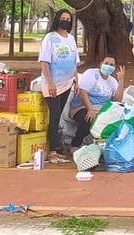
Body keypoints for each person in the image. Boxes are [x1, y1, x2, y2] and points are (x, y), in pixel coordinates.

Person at [38, 9, 80, 163]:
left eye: (68, 19)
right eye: (63, 18)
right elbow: (44, 63)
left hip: (67, 83)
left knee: (60, 115)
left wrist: (76, 80)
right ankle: (53, 150)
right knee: (54, 116)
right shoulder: (49, 38)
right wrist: (50, 83)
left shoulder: (71, 39)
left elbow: (75, 62)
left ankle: (56, 146)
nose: (65, 21)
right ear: (57, 20)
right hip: (52, 85)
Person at [69, 55, 125, 149]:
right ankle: (75, 145)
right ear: (101, 64)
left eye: (111, 65)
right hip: (82, 106)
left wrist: (121, 80)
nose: (108, 66)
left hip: (102, 109)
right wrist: (90, 110)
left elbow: (117, 100)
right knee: (87, 119)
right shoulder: (91, 74)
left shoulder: (112, 81)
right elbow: (83, 92)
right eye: (106, 63)